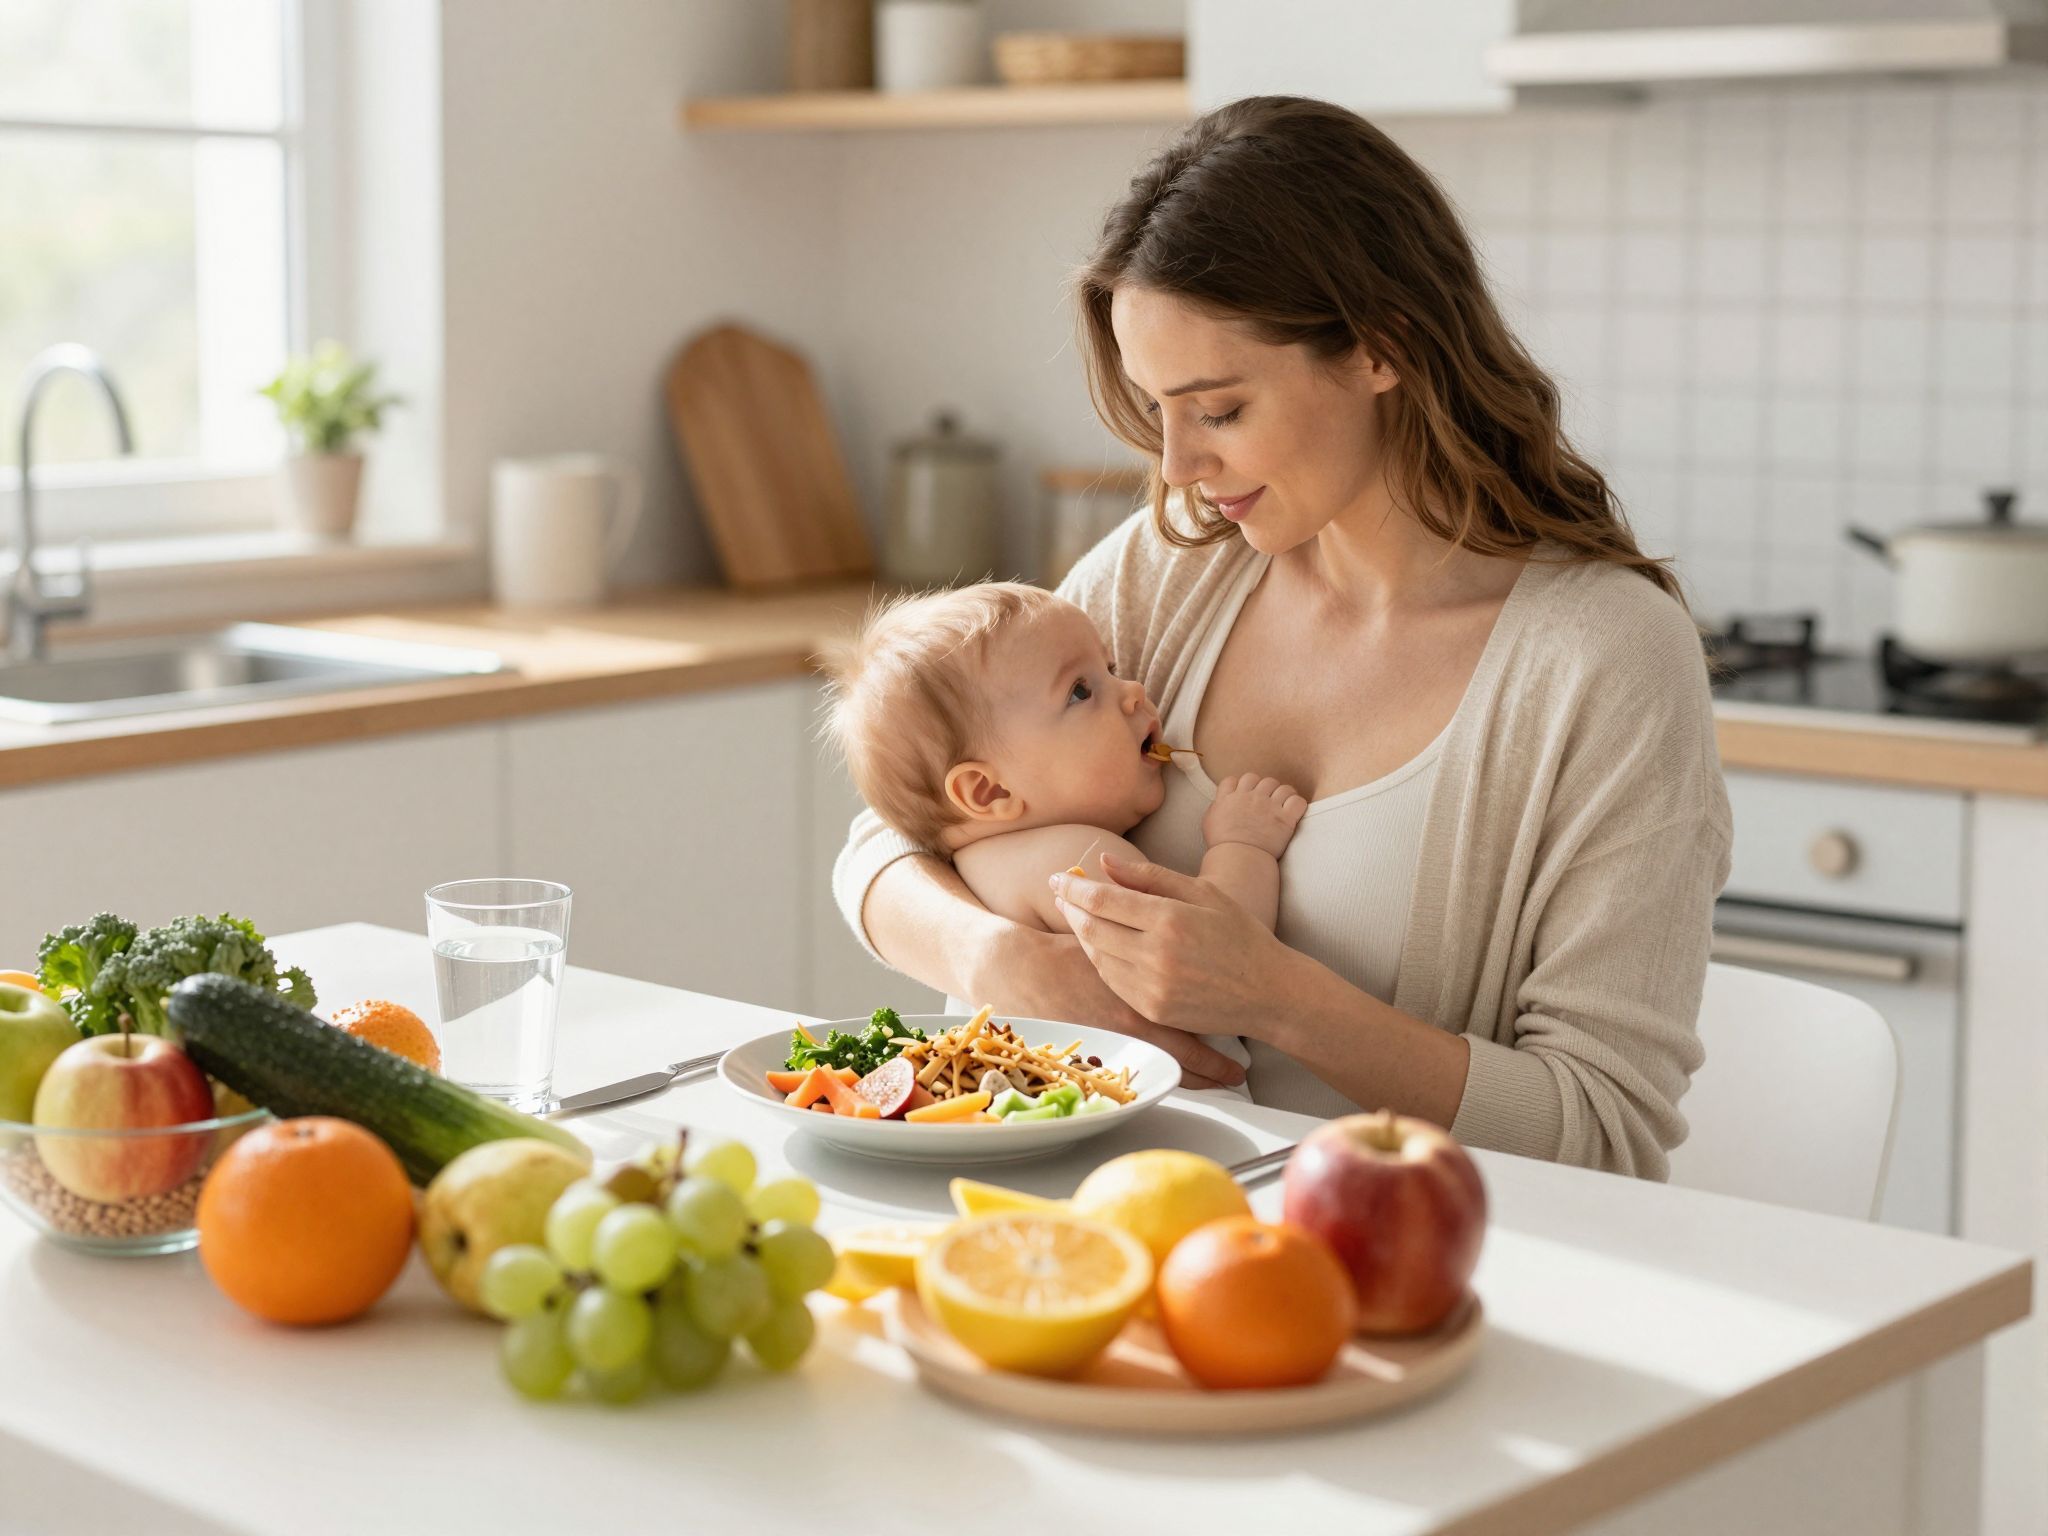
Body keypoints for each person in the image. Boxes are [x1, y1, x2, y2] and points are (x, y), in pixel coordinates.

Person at [832, 96, 1731, 1179]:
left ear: (1379, 349)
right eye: (1154, 410)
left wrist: (1273, 996)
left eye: (1215, 411)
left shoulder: (1601, 660)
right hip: (1092, 1231)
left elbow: (1598, 1128)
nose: (1174, 469)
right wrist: (1003, 962)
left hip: (1395, 1279)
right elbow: (888, 838)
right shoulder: (1175, 567)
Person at [819, 579, 1315, 1100]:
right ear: (987, 790)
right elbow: (1223, 960)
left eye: (1112, 668)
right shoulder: (1077, 862)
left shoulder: (971, 867)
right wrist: (1244, 847)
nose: (1134, 692)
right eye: (1081, 691)